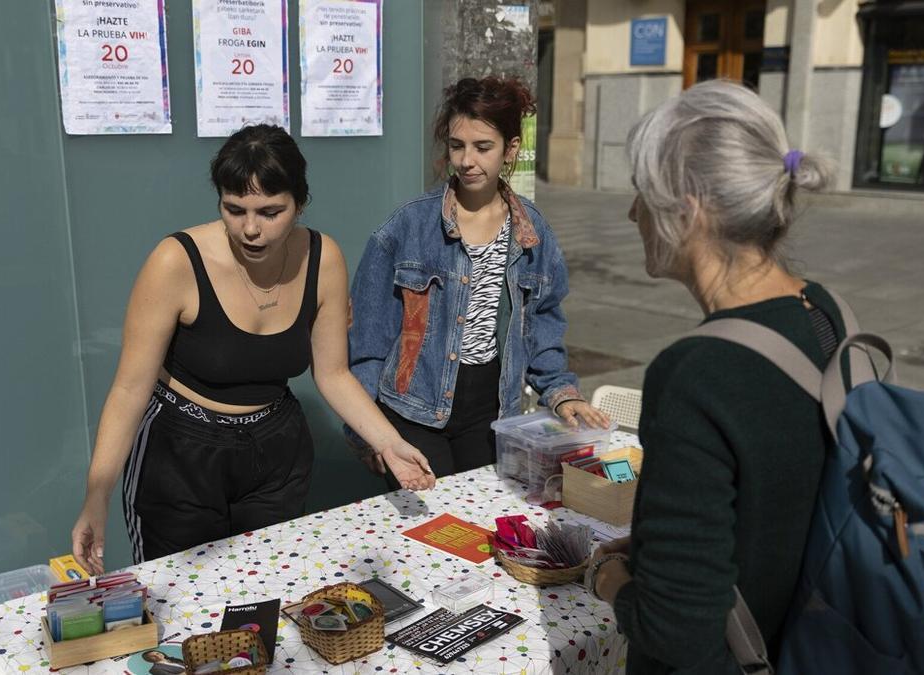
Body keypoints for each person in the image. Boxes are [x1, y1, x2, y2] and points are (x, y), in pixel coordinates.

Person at [71, 125, 435, 573]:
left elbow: (333, 374)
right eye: (234, 208)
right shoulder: (175, 261)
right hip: (180, 453)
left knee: (267, 592)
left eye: (269, 212)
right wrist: (97, 495)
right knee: (184, 604)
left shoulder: (323, 258)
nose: (250, 229)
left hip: (274, 450)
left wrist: (390, 443)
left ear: (299, 204)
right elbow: (129, 390)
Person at [584, 80, 842, 673]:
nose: (631, 212)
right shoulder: (826, 313)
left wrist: (612, 578)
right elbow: (777, 504)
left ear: (688, 209)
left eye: (640, 193)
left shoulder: (697, 375)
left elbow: (675, 635)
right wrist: (661, 551)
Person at [346, 76, 607, 488]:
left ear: (511, 150)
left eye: (483, 147)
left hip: (492, 408)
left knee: (477, 526)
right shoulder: (407, 226)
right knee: (426, 527)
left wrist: (561, 392)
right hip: (412, 405)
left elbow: (542, 324)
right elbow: (367, 341)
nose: (467, 160)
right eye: (456, 145)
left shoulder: (533, 233)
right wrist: (366, 432)